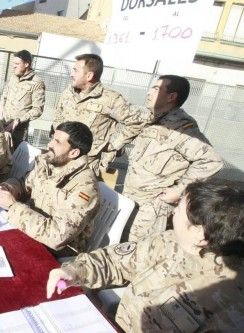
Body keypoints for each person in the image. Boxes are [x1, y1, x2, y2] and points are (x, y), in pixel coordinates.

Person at [47, 179, 244, 332]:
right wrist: (74, 270)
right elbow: (115, 260)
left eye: (179, 210)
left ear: (199, 234)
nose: (172, 213)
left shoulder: (232, 305)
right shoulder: (169, 241)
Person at [122, 75, 223, 241]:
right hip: (132, 200)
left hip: (150, 209)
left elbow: (211, 161)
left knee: (139, 253)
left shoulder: (181, 127)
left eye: (156, 88)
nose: (149, 92)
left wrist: (179, 190)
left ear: (171, 97)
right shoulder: (155, 119)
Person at [0, 121, 99, 257]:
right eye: (52, 138)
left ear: (74, 152)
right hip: (28, 232)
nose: (49, 144)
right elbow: (25, 183)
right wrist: (8, 188)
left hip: (56, 254)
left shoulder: (85, 187)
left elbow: (57, 237)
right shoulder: (50, 163)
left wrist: (13, 207)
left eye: (57, 142)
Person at [53, 53, 149, 177]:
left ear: (89, 75)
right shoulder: (68, 92)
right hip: (59, 157)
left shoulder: (110, 98)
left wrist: (113, 144)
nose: (71, 74)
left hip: (85, 164)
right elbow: (58, 114)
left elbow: (136, 122)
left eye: (75, 70)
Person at [0, 49, 45, 150]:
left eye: (17, 63)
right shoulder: (13, 78)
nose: (14, 66)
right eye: (13, 63)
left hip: (18, 132)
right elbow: (4, 96)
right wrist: (1, 109)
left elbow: (38, 110)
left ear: (26, 64)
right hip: (2, 125)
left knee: (13, 159)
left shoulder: (37, 83)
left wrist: (18, 121)